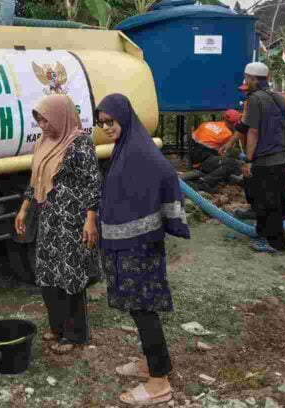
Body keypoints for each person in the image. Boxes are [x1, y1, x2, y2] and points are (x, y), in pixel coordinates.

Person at [95, 94, 190, 406]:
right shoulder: (126, 148)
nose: (106, 127)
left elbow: (166, 175)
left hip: (139, 247)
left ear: (124, 116)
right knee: (139, 308)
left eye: (111, 121)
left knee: (143, 308)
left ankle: (159, 382)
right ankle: (151, 363)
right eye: (101, 123)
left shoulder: (138, 150)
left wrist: (168, 219)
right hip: (127, 246)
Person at [14, 94, 101, 354]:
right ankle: (57, 327)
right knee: (48, 275)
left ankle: (75, 335)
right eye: (39, 120)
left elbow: (92, 184)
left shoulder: (80, 143)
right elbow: (36, 181)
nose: (42, 125)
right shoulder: (43, 143)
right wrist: (23, 210)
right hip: (48, 220)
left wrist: (90, 220)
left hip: (73, 221)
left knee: (70, 276)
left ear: (61, 116)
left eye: (46, 119)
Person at [237, 62, 285, 253]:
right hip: (281, 155)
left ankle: (275, 243)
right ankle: (263, 234)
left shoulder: (256, 99)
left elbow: (253, 132)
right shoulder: (279, 97)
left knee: (268, 202)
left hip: (265, 158)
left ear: (252, 78)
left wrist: (248, 160)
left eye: (246, 78)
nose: (245, 81)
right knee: (273, 199)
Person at [189, 110, 243, 192]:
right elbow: (225, 153)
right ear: (235, 124)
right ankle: (204, 181)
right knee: (232, 164)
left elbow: (193, 139)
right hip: (204, 161)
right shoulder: (227, 134)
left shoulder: (206, 124)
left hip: (193, 158)